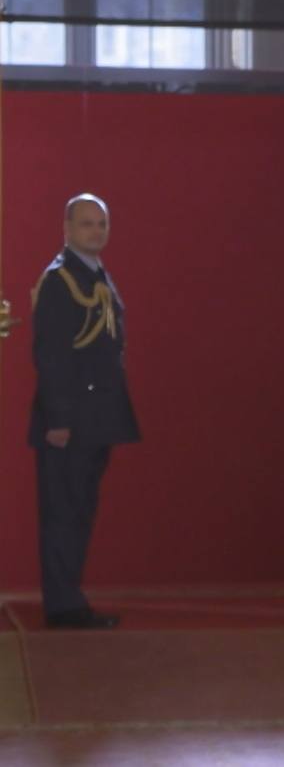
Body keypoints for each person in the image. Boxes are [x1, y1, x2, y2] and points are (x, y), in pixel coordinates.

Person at [28, 193, 139, 629]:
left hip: (94, 418)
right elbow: (52, 355)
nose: (97, 231)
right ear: (67, 228)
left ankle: (68, 596)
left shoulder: (94, 274)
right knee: (64, 511)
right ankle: (63, 604)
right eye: (88, 223)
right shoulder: (61, 280)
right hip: (70, 422)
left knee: (78, 509)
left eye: (102, 224)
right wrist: (58, 420)